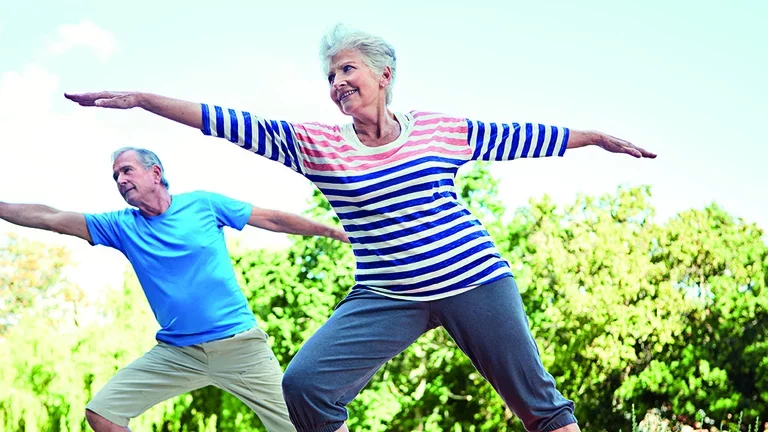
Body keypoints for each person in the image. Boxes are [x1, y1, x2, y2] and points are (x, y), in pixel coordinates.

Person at [64, 23, 656, 432]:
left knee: (539, 406)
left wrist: (593, 138)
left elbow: (523, 137)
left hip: (474, 280)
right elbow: (226, 121)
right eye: (330, 76)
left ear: (383, 74)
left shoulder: (438, 130)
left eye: (347, 69)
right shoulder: (317, 144)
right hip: (387, 294)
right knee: (304, 388)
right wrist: (142, 100)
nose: (337, 82)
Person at [0, 146, 349, 432]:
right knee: (102, 413)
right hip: (178, 353)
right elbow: (52, 218)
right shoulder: (120, 226)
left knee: (309, 425)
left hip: (241, 348)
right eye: (116, 177)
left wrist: (332, 231)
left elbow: (271, 218)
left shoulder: (203, 204)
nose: (120, 180)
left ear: (155, 173)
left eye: (126, 171)